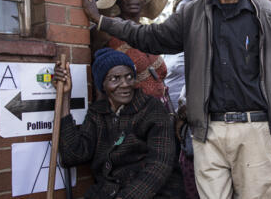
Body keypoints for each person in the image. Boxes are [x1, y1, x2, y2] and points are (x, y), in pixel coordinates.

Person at [81, 0, 271, 198]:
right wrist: (101, 21)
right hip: (208, 134)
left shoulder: (266, 13)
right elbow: (149, 36)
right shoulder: (192, 14)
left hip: (256, 131)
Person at [53, 48, 183, 198]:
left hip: (153, 193)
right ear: (102, 85)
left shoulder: (152, 109)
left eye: (129, 77)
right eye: (115, 79)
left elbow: (160, 164)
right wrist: (65, 97)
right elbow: (73, 155)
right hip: (109, 192)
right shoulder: (98, 113)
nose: (125, 84)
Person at [92, 0, 170, 103]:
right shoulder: (105, 30)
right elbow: (96, 76)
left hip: (161, 114)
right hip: (130, 117)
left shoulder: (148, 33)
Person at [163, 0, 200, 199]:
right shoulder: (166, 48)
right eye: (181, 13)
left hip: (194, 121)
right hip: (169, 120)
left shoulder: (206, 43)